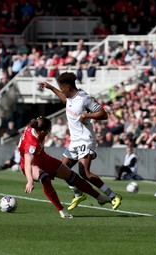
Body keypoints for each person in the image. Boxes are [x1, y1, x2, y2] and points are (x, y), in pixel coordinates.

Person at [38, 72, 122, 211]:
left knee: (85, 173)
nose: (61, 90)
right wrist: (51, 87)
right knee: (61, 170)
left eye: (61, 87)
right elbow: (64, 99)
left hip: (85, 139)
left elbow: (104, 114)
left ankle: (113, 195)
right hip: (74, 141)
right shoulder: (70, 97)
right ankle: (78, 193)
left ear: (68, 86)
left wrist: (86, 115)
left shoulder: (84, 99)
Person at [18, 116, 111, 218]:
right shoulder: (32, 144)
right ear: (41, 131)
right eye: (48, 131)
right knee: (45, 178)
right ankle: (62, 210)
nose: (49, 132)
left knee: (72, 176)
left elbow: (40, 119)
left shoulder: (36, 124)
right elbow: (27, 164)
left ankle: (99, 197)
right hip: (32, 164)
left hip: (43, 158)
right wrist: (30, 181)